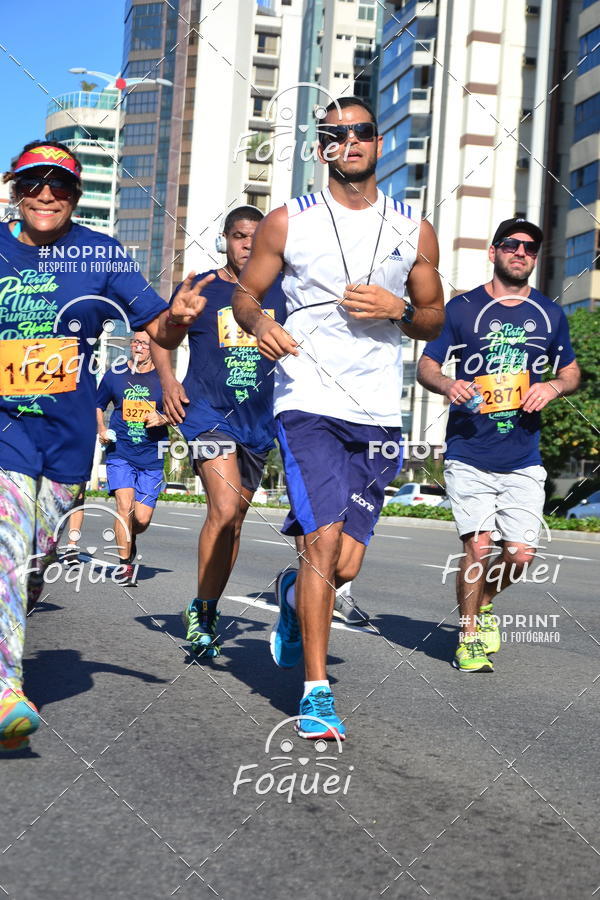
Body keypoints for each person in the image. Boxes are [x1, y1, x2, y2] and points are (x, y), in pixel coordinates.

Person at [232, 97, 444, 740]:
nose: (349, 142)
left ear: (379, 144)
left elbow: (434, 319)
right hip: (306, 400)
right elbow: (246, 295)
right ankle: (316, 692)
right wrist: (261, 321)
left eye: (361, 132)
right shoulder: (286, 221)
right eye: (334, 134)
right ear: (321, 146)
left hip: (378, 407)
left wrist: (397, 308)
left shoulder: (414, 227)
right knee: (322, 541)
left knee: (345, 564)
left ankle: (294, 599)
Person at [0, 140, 213, 751]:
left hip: (66, 440)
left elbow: (157, 322)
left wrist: (178, 317)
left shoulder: (99, 252)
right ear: (16, 189)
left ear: (76, 195)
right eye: (34, 183)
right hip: (5, 429)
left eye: (60, 185)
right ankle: (7, 685)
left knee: (36, 560)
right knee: (10, 549)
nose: (46, 194)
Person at [417, 217, 580, 673]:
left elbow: (570, 371)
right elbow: (427, 365)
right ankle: (468, 638)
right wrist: (449, 384)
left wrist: (553, 387)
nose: (521, 252)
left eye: (530, 247)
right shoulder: (462, 308)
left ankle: (482, 602)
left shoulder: (550, 313)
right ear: (493, 252)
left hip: (523, 454)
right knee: (479, 545)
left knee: (521, 553)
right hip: (469, 450)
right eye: (511, 244)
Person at [151, 206, 289, 658]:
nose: (248, 244)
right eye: (239, 236)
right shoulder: (206, 287)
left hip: (258, 419)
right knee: (224, 506)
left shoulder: (284, 289)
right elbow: (161, 332)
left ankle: (204, 606)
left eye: (256, 236)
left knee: (234, 522)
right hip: (207, 412)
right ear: (225, 240)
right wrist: (169, 381)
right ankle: (203, 614)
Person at [96, 332, 169, 585]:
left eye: (144, 344)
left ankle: (129, 537)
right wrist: (102, 430)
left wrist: (163, 418)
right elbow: (98, 403)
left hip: (152, 456)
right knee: (124, 508)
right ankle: (125, 566)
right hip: (121, 453)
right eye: (135, 342)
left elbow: (181, 409)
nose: (138, 348)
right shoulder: (115, 373)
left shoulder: (163, 377)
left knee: (142, 519)